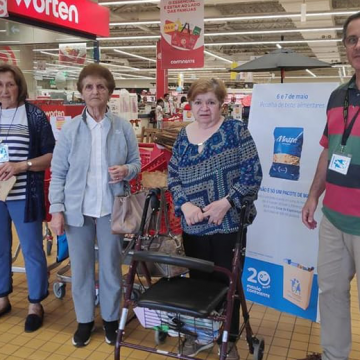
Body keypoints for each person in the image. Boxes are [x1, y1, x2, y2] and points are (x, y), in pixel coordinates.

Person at [168, 78, 262, 360]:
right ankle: (202, 335)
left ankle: (227, 338)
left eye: (210, 102)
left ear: (221, 104)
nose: (204, 108)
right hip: (193, 226)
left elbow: (253, 173)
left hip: (228, 223)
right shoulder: (184, 135)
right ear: (191, 105)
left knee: (227, 282)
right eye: (198, 102)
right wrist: (184, 205)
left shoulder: (236, 131)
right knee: (198, 282)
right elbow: (173, 176)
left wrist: (227, 202)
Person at [49, 64, 141, 347]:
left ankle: (111, 320)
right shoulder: (71, 130)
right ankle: (85, 321)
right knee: (81, 267)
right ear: (81, 92)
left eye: (101, 86)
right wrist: (57, 209)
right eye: (88, 86)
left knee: (113, 267)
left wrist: (126, 170)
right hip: (78, 211)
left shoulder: (122, 127)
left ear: (109, 92)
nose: (95, 91)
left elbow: (137, 164)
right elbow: (58, 172)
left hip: (111, 210)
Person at [301, 12, 360, 360]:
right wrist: (313, 195)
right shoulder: (338, 96)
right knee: (332, 293)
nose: (358, 45)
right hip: (334, 220)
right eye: (352, 39)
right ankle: (334, 356)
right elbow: (328, 150)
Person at [0, 64, 55, 332]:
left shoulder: (33, 116)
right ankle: (2, 297)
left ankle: (35, 303)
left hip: (24, 194)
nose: (5, 90)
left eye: (9, 84)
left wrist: (21, 166)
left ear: (19, 86)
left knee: (32, 249)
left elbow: (50, 156)